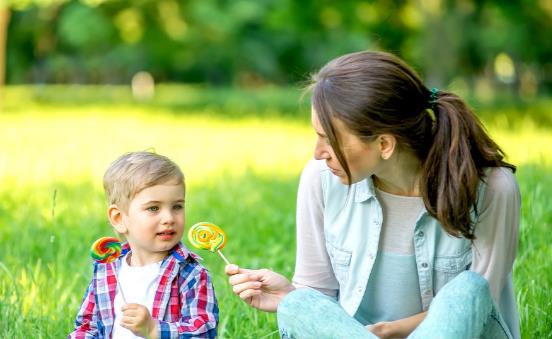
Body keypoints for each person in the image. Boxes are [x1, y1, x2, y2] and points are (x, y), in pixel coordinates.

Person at [226, 51, 520, 338]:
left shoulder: (491, 188)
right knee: (297, 305)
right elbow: (319, 301)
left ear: (384, 144)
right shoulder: (321, 178)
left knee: (469, 289)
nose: (318, 154)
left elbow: (479, 310)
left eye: (329, 140)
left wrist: (390, 331)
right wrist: (289, 294)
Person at [69, 151, 218, 339]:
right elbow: (87, 325)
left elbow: (204, 331)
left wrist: (154, 329)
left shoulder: (191, 275)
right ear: (119, 218)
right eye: (153, 208)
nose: (169, 218)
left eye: (177, 206)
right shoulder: (106, 270)